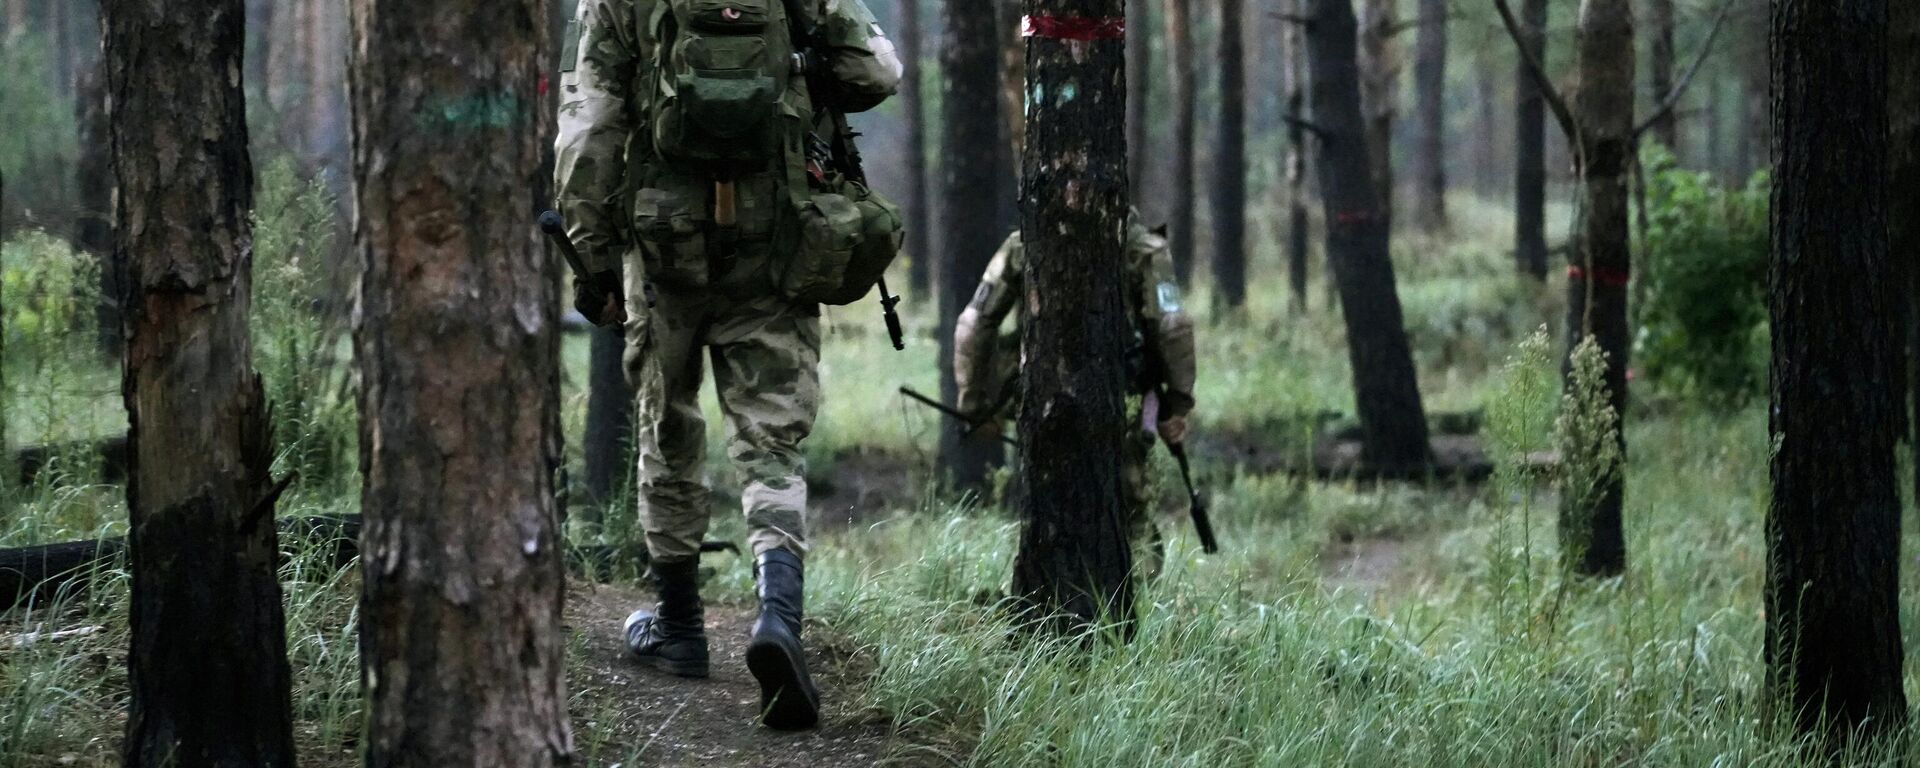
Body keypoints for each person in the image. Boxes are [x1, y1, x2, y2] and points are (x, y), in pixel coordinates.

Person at [553, 0, 902, 730]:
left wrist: (589, 256)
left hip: (660, 237)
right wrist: (800, 64)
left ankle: (680, 627)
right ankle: (778, 618)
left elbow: (589, 128)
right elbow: (878, 71)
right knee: (769, 437)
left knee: (667, 419)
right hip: (776, 232)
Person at [952, 211, 1198, 574]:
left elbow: (973, 324)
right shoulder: (1143, 249)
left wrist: (974, 403)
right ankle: (1130, 606)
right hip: (1121, 401)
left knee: (1047, 503)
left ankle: (1045, 602)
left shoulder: (1023, 244)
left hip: (1040, 398)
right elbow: (1172, 326)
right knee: (1130, 513)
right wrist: (1176, 405)